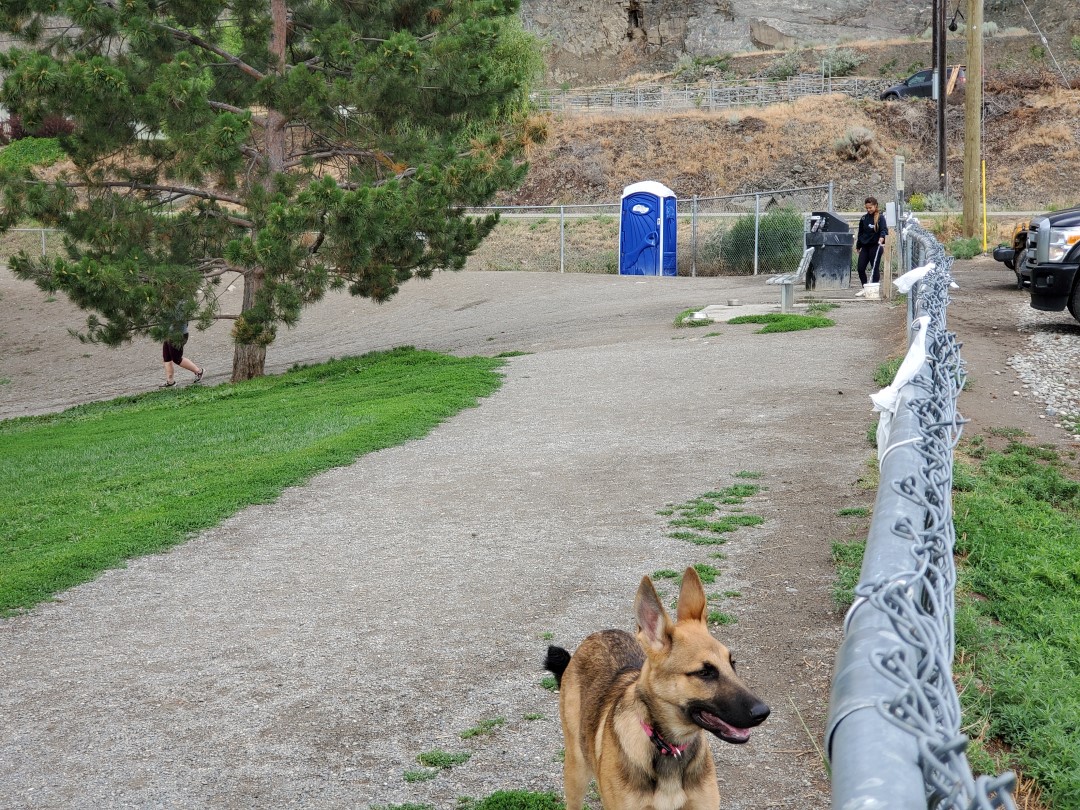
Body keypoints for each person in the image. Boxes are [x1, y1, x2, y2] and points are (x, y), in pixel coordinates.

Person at [854, 196, 888, 296]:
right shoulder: (864, 218)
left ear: (875, 206)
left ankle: (874, 289)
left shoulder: (880, 218)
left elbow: (884, 230)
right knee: (860, 268)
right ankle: (865, 288)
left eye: (870, 207)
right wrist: (858, 245)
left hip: (875, 246)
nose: (869, 210)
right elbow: (860, 233)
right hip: (865, 246)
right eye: (867, 208)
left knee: (874, 268)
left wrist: (882, 237)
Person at [161, 320, 204, 387]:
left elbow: (181, 322)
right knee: (167, 357)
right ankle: (170, 382)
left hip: (178, 335)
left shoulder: (179, 310)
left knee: (176, 359)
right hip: (169, 334)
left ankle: (198, 371)